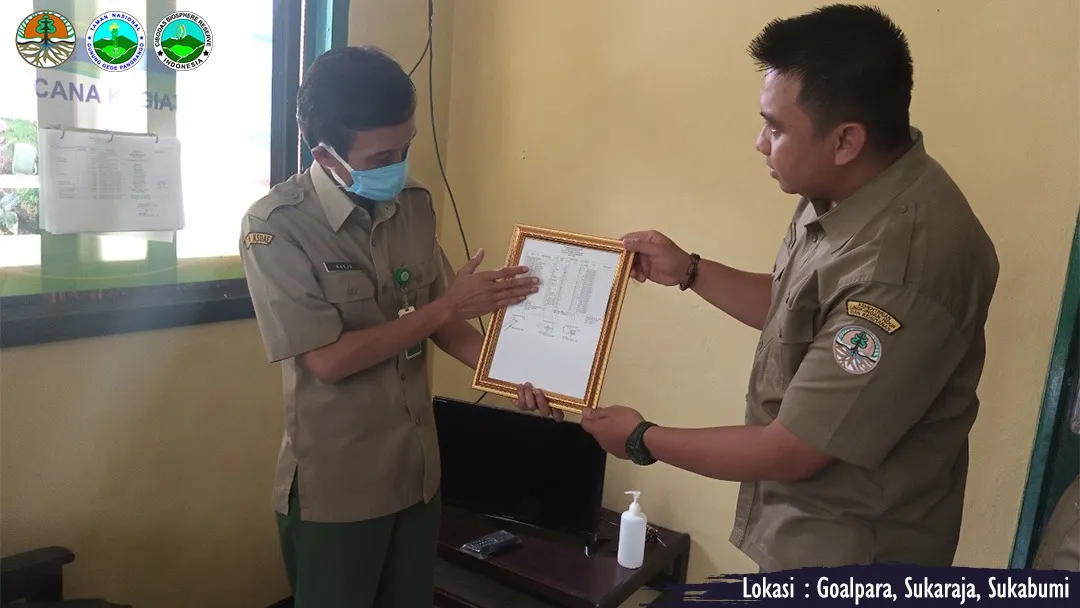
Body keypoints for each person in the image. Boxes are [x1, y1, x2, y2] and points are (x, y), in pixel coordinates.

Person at [516, 4, 1000, 572]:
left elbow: (794, 449)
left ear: (845, 140)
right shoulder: (845, 188)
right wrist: (689, 271)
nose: (760, 143)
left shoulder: (906, 265)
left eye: (776, 127)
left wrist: (642, 438)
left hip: (856, 555)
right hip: (801, 525)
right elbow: (800, 309)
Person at [239, 46, 541, 608]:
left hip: (417, 474)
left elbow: (446, 325)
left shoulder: (414, 204)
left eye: (406, 147)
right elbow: (328, 360)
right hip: (339, 489)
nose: (398, 166)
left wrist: (519, 375)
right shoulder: (276, 227)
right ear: (325, 154)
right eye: (382, 156)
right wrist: (445, 309)